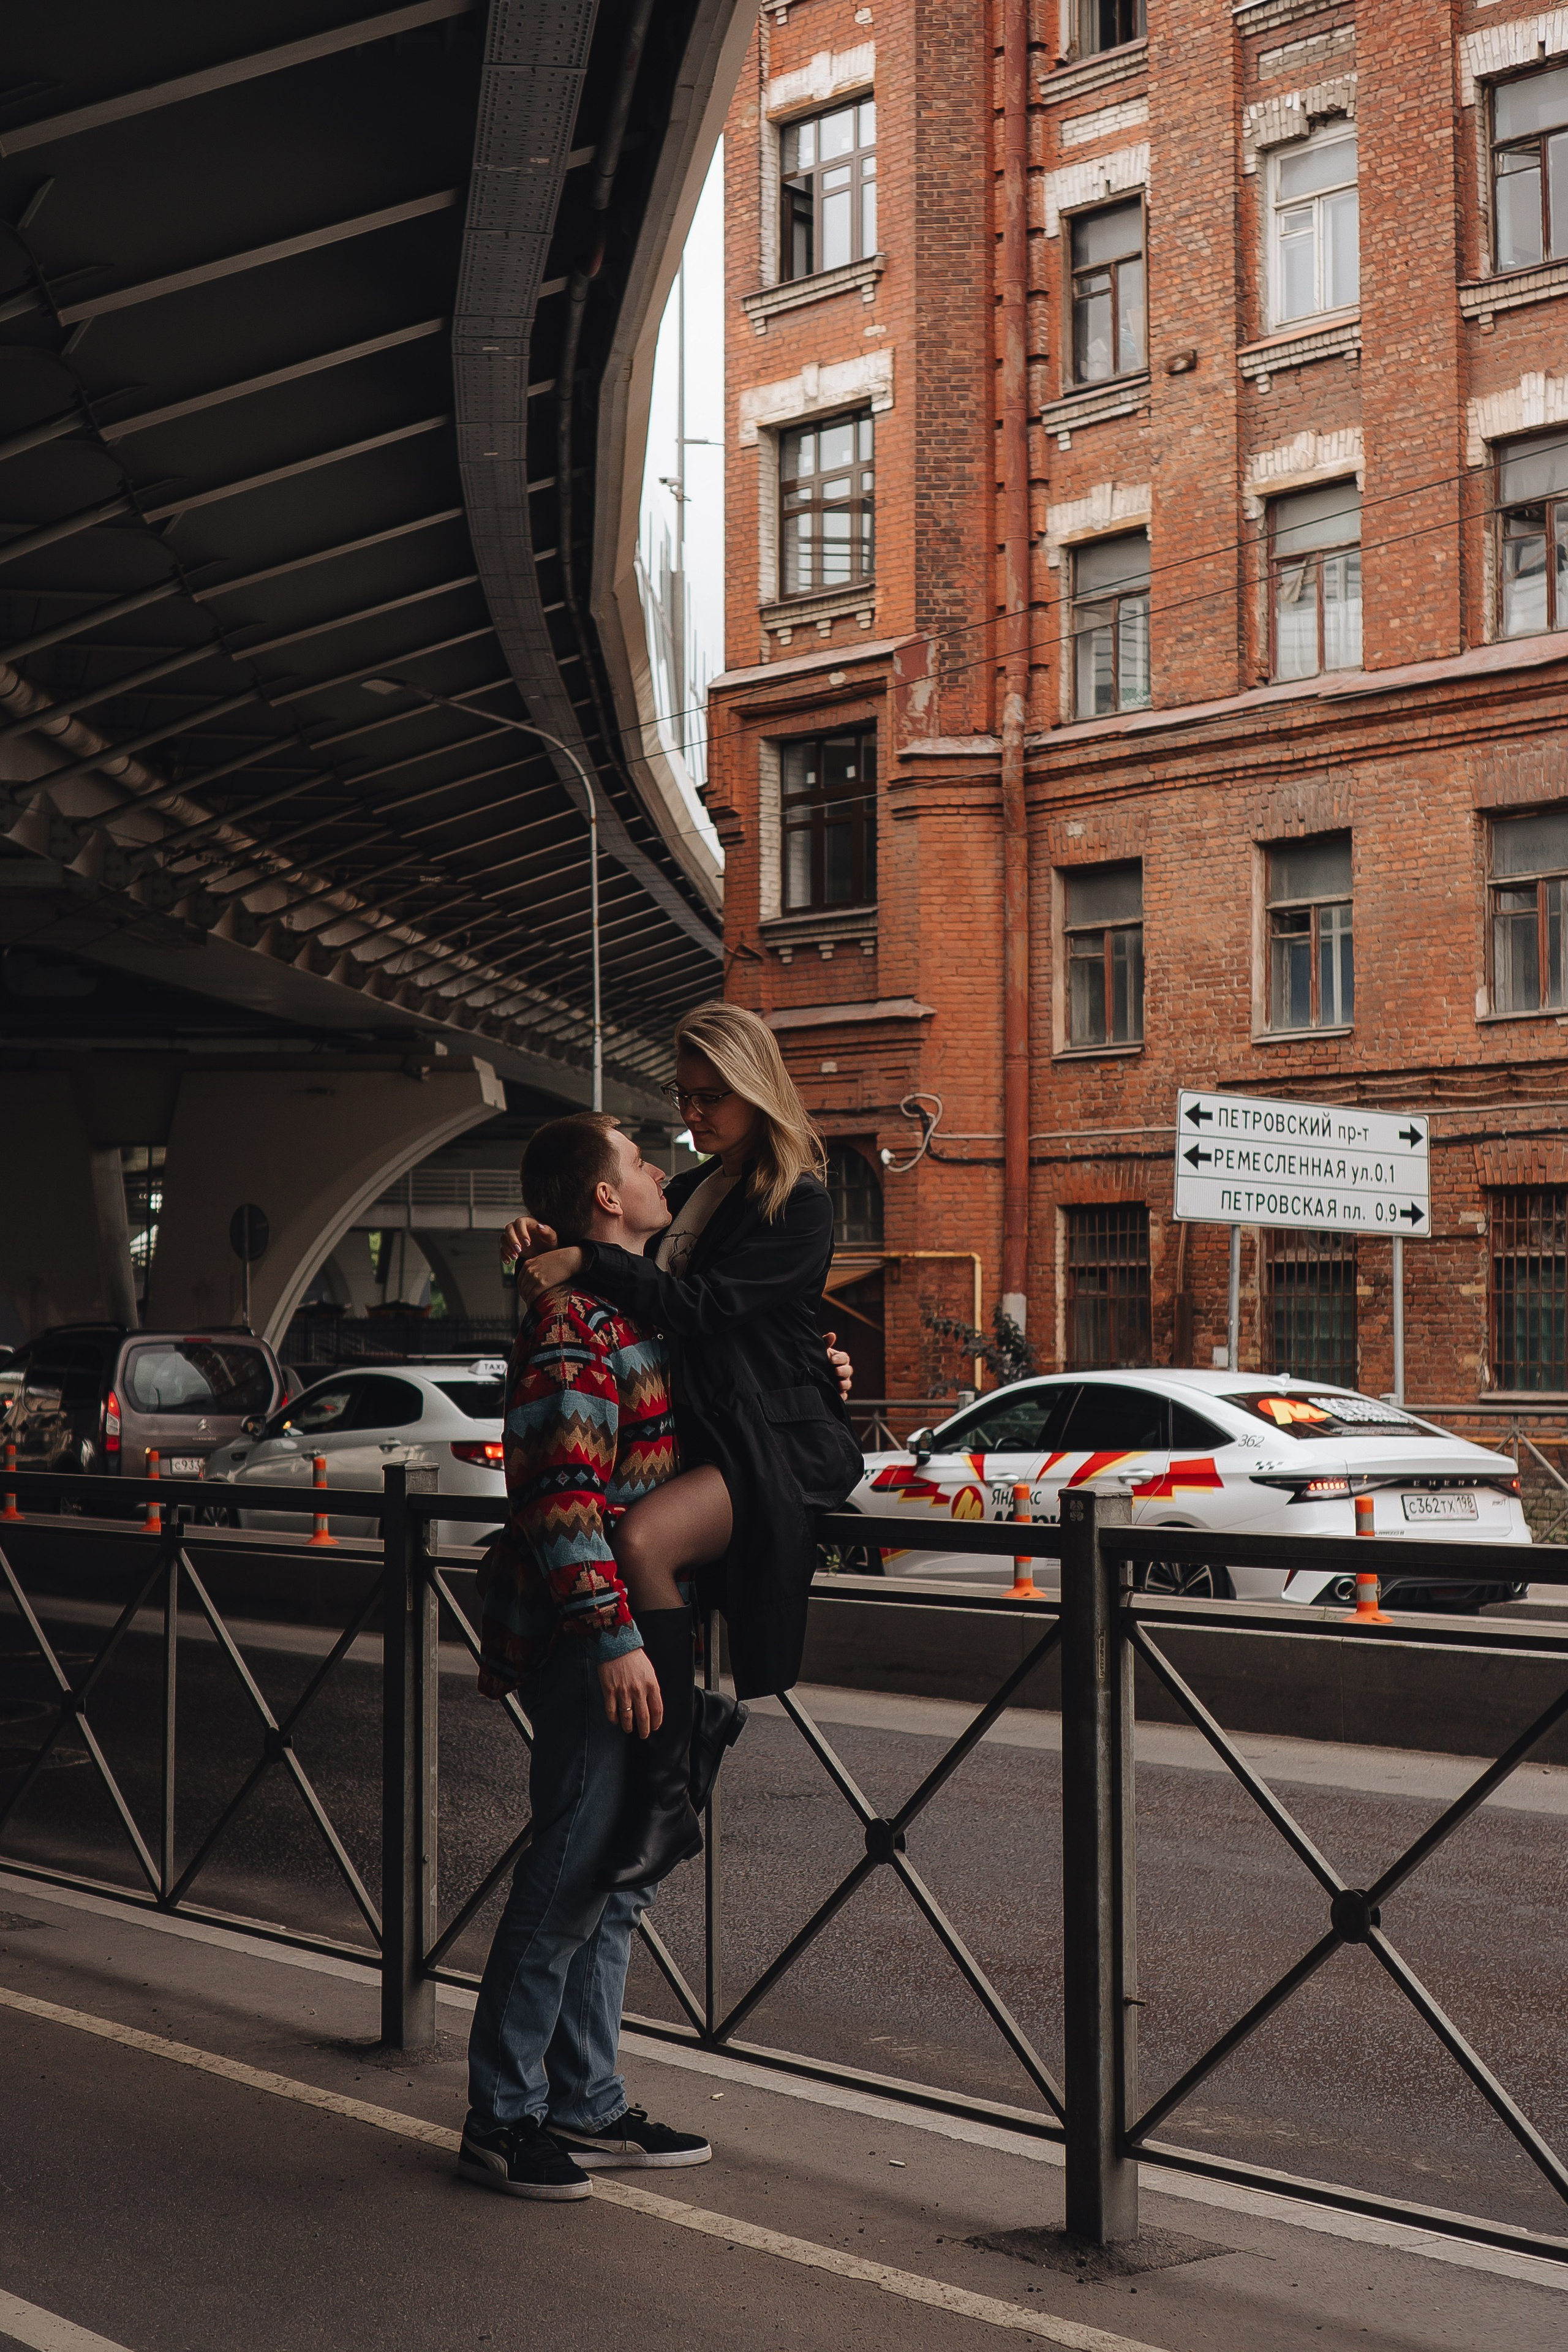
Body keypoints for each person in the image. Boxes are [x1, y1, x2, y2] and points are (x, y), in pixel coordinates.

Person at [509, 1000, 865, 1890]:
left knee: (641, 1541)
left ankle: (668, 1799)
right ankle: (674, 1764)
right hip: (726, 1431)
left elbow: (699, 1310)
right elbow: (637, 1301)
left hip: (782, 1445)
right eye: (684, 1096)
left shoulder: (801, 1201)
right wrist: (549, 1246)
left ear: (756, 1091)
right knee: (638, 1544)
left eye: (711, 1098)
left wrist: (583, 1262)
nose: (692, 1116)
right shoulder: (701, 1196)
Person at [459, 1110, 714, 2201]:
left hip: (646, 1633)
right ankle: (501, 2118)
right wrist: (614, 1641)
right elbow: (562, 1503)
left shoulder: (625, 1311)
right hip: (599, 1643)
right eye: (641, 1161)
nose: (661, 1172)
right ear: (605, 1198)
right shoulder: (575, 1327)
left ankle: (585, 2101)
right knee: (567, 1880)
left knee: (613, 1884)